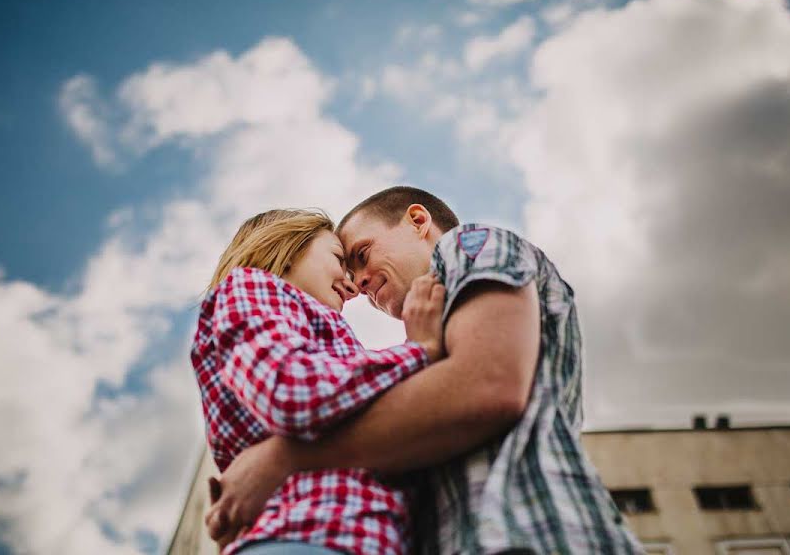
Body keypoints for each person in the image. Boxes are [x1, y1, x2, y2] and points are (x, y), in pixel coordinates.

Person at [206, 187, 645, 554]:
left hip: (529, 534)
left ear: (417, 221)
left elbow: (487, 387)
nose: (357, 284)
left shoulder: (467, 245)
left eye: (360, 254)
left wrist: (288, 457)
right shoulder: (415, 350)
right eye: (346, 265)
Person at [190, 208, 447, 555]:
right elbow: (293, 392)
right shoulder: (252, 287)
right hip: (305, 537)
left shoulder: (325, 339)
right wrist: (419, 351)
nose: (353, 284)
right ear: (288, 247)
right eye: (340, 259)